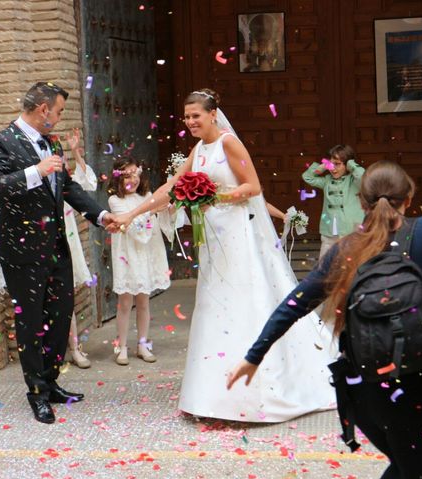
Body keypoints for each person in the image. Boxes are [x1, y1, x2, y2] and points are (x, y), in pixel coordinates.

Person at [227, 160, 422, 478]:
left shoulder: (345, 248)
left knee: (408, 467)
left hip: (362, 386)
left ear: (361, 202)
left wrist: (253, 356)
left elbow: (294, 304)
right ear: (408, 198)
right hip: (417, 380)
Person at [114, 88, 336, 422]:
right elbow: (171, 187)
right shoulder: (198, 149)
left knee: (242, 303)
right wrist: (132, 215)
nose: (190, 122)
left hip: (238, 236)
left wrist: (213, 196)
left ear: (213, 114)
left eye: (196, 116)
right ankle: (213, 394)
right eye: (186, 117)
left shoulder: (229, 143)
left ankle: (254, 390)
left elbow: (253, 188)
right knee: (215, 306)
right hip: (214, 243)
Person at [0, 82, 116, 424]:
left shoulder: (51, 142)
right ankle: (36, 392)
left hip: (55, 246)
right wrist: (34, 172)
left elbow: (65, 186)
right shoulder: (2, 140)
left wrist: (99, 215)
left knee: (59, 314)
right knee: (31, 321)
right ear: (43, 109)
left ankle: (51, 381)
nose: (58, 117)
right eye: (57, 111)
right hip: (21, 251)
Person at [107, 157, 171, 366]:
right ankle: (122, 345)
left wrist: (170, 208)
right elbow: (132, 225)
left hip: (146, 252)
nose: (132, 179)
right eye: (127, 175)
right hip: (127, 254)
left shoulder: (148, 196)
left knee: (144, 301)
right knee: (125, 302)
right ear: (118, 178)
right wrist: (152, 210)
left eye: (135, 173)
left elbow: (155, 222)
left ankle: (143, 344)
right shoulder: (115, 201)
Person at [64, 127, 99, 369]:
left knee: (66, 299)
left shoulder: (65, 184)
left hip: (66, 242)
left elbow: (89, 184)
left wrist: (76, 153)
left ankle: (74, 349)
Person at [302, 145, 365, 258]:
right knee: (325, 266)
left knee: (353, 266)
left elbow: (365, 177)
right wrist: (322, 167)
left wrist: (351, 164)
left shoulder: (354, 180)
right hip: (329, 229)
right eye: (331, 164)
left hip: (351, 230)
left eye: (337, 164)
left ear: (347, 164)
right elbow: (307, 177)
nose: (333, 168)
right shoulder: (327, 181)